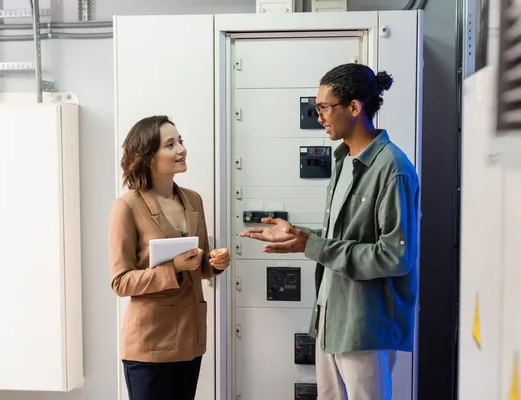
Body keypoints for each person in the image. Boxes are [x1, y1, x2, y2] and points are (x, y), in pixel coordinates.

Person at [240, 63, 419, 400]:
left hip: (365, 323)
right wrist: (299, 238)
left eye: (324, 106)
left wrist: (315, 245)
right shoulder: (344, 160)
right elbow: (343, 234)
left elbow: (396, 256)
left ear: (354, 107)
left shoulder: (393, 169)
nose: (318, 114)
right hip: (331, 315)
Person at [108, 115, 231, 400]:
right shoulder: (126, 207)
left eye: (181, 141)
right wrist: (172, 268)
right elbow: (120, 282)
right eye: (170, 144)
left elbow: (198, 266)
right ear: (148, 157)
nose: (181, 149)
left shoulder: (193, 200)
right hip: (150, 343)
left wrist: (214, 263)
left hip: (189, 338)